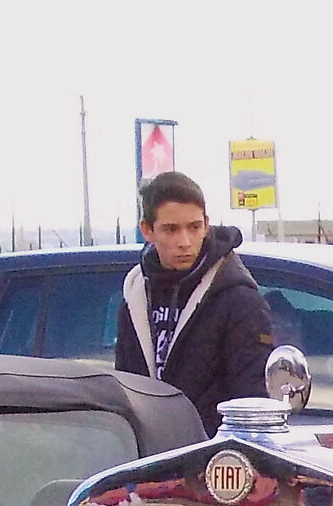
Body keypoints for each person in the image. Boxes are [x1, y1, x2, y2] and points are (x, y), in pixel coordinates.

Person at [114, 172, 274, 434]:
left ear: (207, 224)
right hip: (149, 452)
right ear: (147, 230)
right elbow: (124, 389)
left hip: (213, 459)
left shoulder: (237, 298)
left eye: (194, 227)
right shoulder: (135, 298)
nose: (185, 242)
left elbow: (253, 399)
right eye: (171, 229)